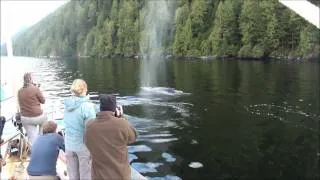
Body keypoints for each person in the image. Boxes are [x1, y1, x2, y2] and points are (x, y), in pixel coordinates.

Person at [85, 94, 137, 180]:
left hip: (99, 176)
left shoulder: (90, 125)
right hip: (120, 175)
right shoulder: (121, 124)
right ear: (114, 108)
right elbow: (133, 136)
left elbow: (86, 142)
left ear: (101, 108)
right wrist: (122, 117)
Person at [63, 79, 96, 180]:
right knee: (85, 176)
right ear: (85, 90)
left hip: (69, 145)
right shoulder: (88, 107)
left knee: (73, 177)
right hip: (83, 147)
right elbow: (91, 130)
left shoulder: (67, 105)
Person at [18, 72, 46, 145]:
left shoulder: (19, 91)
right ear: (30, 79)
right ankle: (41, 137)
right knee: (45, 119)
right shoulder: (35, 88)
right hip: (37, 117)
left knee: (32, 137)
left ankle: (34, 150)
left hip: (25, 118)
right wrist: (38, 89)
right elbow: (43, 101)